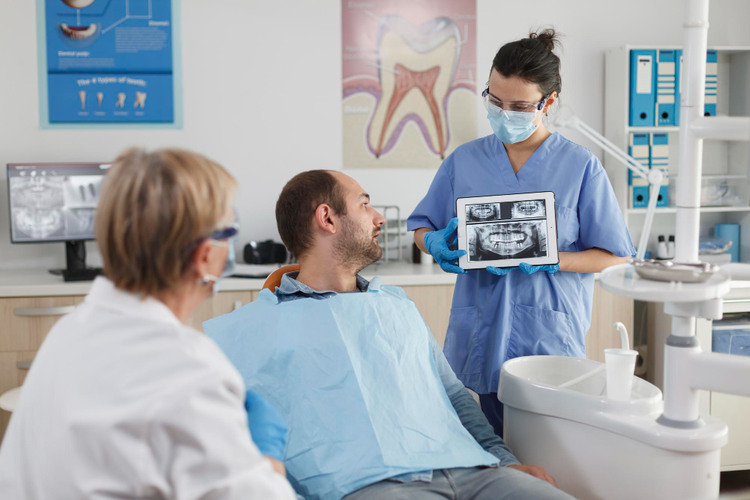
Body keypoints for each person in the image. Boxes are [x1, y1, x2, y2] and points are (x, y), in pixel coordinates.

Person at [203, 170, 575, 500]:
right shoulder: (250, 329)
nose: (379, 218)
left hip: (474, 471)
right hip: (372, 484)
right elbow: (241, 447)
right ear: (327, 218)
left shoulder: (395, 303)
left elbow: (454, 397)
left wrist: (505, 462)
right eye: (365, 205)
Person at [0, 148, 296, 499]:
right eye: (229, 231)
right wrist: (266, 458)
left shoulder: (72, 329)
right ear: (204, 257)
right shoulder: (189, 370)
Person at [408, 29, 635, 436]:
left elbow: (616, 255)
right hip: (480, 333)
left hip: (547, 335)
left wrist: (551, 259)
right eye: (494, 100)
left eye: (517, 105)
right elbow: (421, 226)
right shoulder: (465, 161)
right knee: (494, 456)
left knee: (549, 456)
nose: (502, 112)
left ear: (548, 103)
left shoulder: (580, 167)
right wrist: (435, 244)